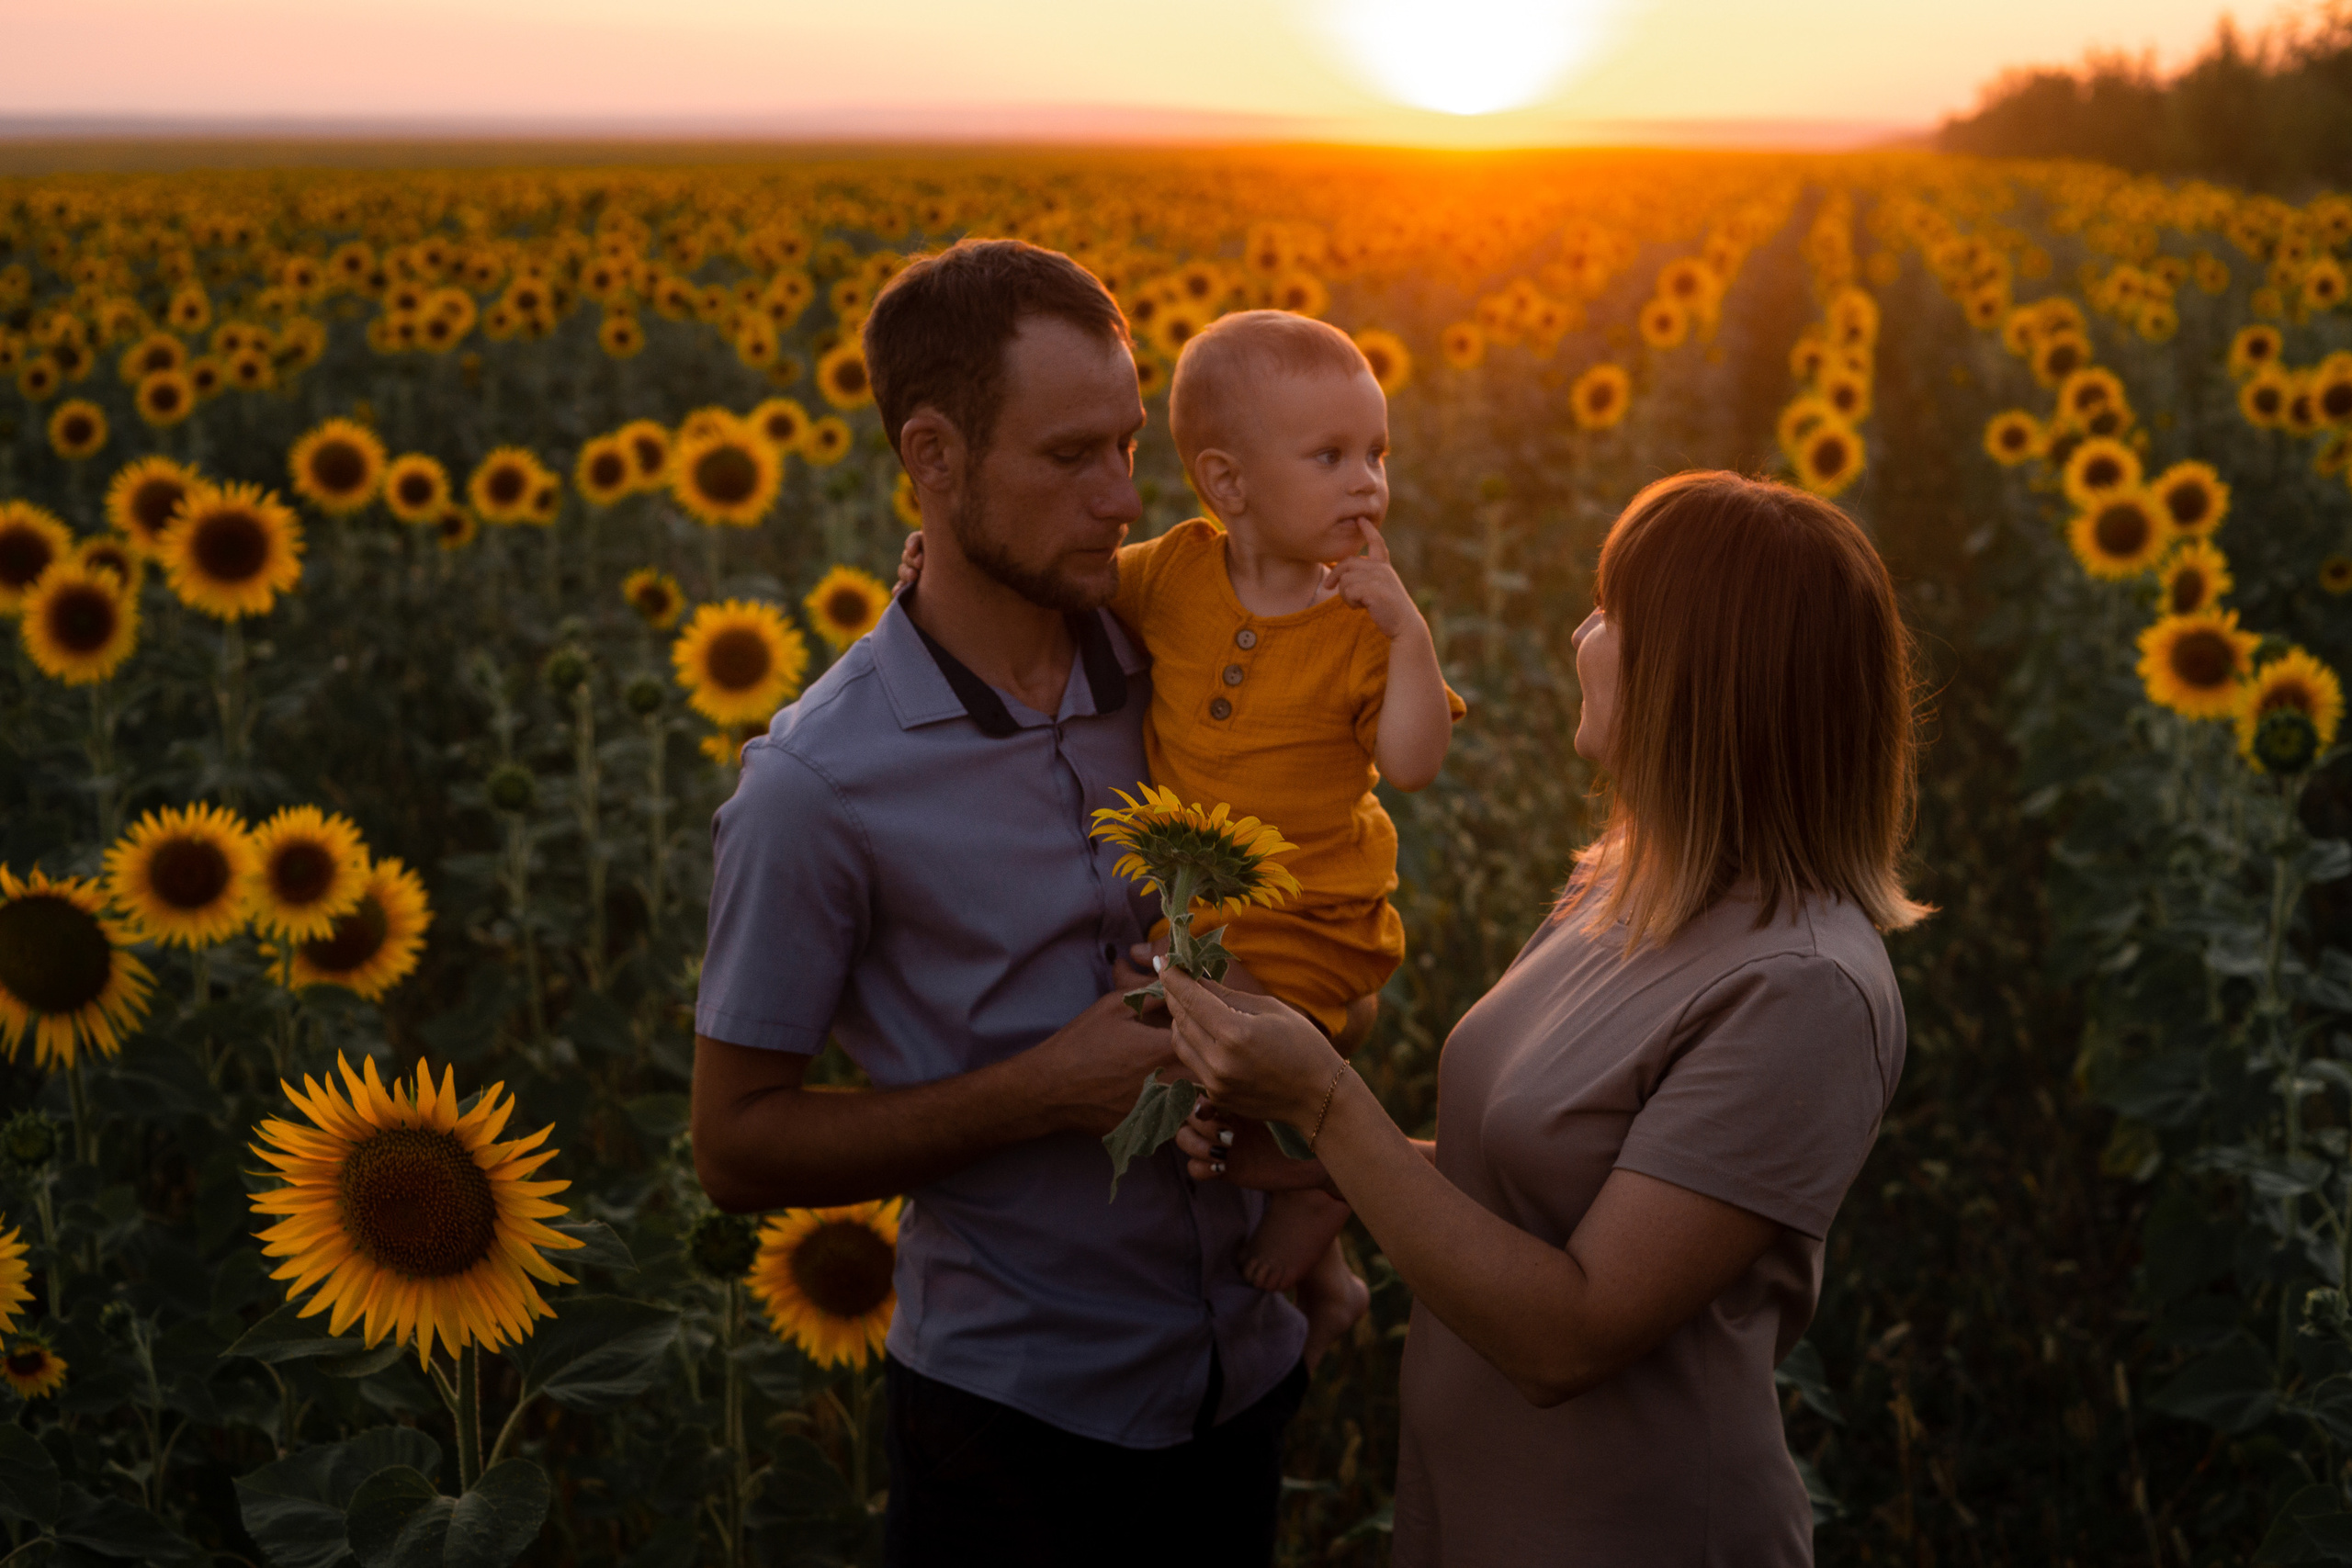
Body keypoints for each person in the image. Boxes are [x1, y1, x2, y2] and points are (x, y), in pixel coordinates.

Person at [1160, 469, 1926, 1565]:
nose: (1582, 631)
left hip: (1627, 1531)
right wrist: (1302, 1161)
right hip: (1468, 1509)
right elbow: (1544, 1180)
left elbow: (1569, 1336)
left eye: (1614, 611)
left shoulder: (1801, 988)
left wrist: (1329, 1107)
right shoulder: (1624, 881)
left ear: (1700, 676)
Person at [688, 238, 1307, 1568]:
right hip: (1017, 1429)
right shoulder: (818, 784)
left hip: (1246, 1375)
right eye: (1070, 455)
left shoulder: (1178, 664)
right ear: (934, 455)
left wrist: (1306, 1235)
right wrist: (1045, 1087)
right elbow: (734, 1146)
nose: (1122, 497)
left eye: (1130, 444)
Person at [899, 308, 1465, 1365]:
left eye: (1376, 455)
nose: (1366, 483)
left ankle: (1333, 1183)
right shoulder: (1174, 573)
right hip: (1204, 910)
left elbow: (1417, 760)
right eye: (1331, 456)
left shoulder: (1359, 623)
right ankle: (1326, 1264)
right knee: (1173, 1057)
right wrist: (941, 562)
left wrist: (1409, 634)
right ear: (1228, 484)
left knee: (1193, 1055)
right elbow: (1066, 590)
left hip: (1310, 919)